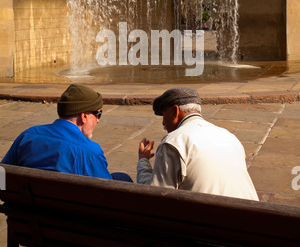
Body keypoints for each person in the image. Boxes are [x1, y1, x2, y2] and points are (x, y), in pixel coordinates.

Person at [137, 87, 259, 201]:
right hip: (251, 218)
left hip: (205, 220)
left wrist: (143, 160)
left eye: (164, 115)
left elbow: (154, 197)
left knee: (120, 178)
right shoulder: (230, 137)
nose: (163, 122)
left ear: (175, 111)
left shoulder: (173, 142)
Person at [1, 84, 132, 182]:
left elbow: (2, 177)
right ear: (84, 116)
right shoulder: (90, 152)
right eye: (98, 114)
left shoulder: (28, 136)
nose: (98, 120)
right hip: (70, 217)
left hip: (24, 215)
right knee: (123, 179)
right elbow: (107, 197)